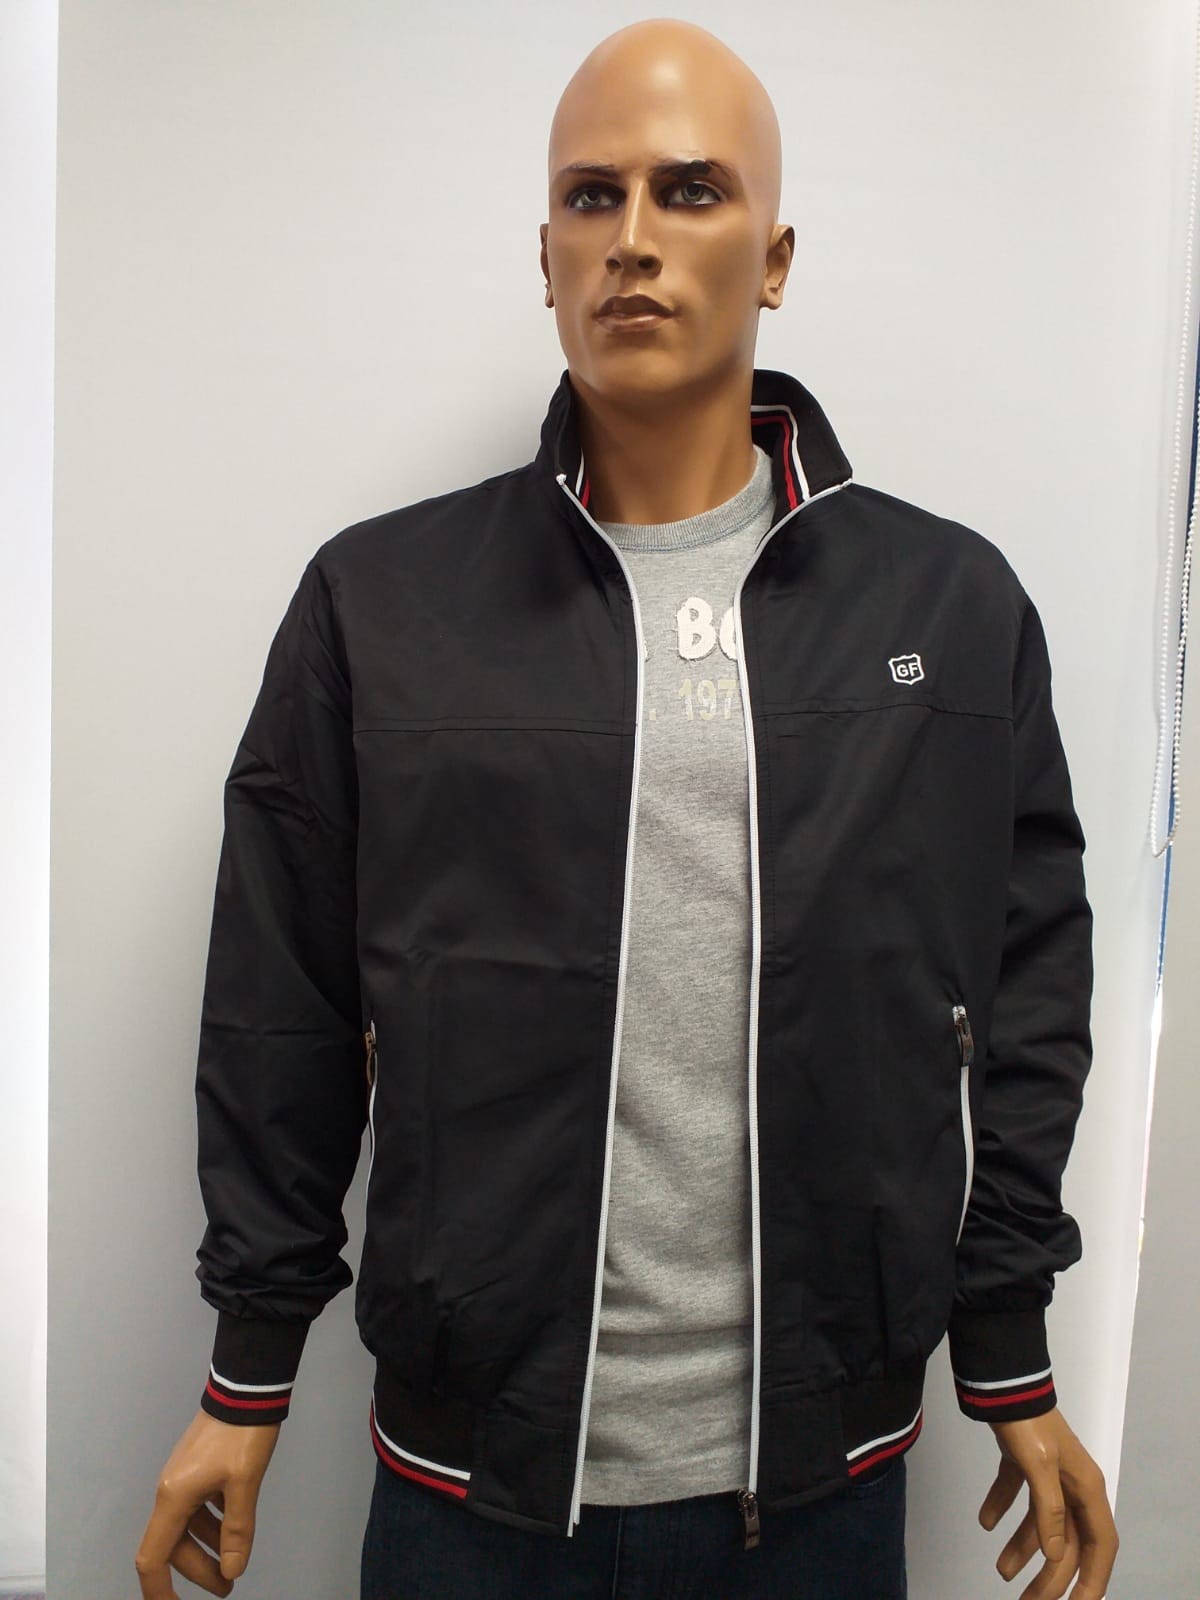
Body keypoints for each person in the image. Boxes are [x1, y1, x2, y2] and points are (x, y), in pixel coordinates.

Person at [135, 17, 1120, 1600]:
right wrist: (246, 1375)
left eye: (692, 190)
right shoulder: (384, 606)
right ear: (544, 255)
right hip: (474, 1488)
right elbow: (280, 1006)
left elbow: (1026, 989)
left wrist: (1008, 1345)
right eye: (592, 197)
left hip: (822, 1482)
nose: (635, 239)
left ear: (775, 257)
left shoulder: (947, 608)